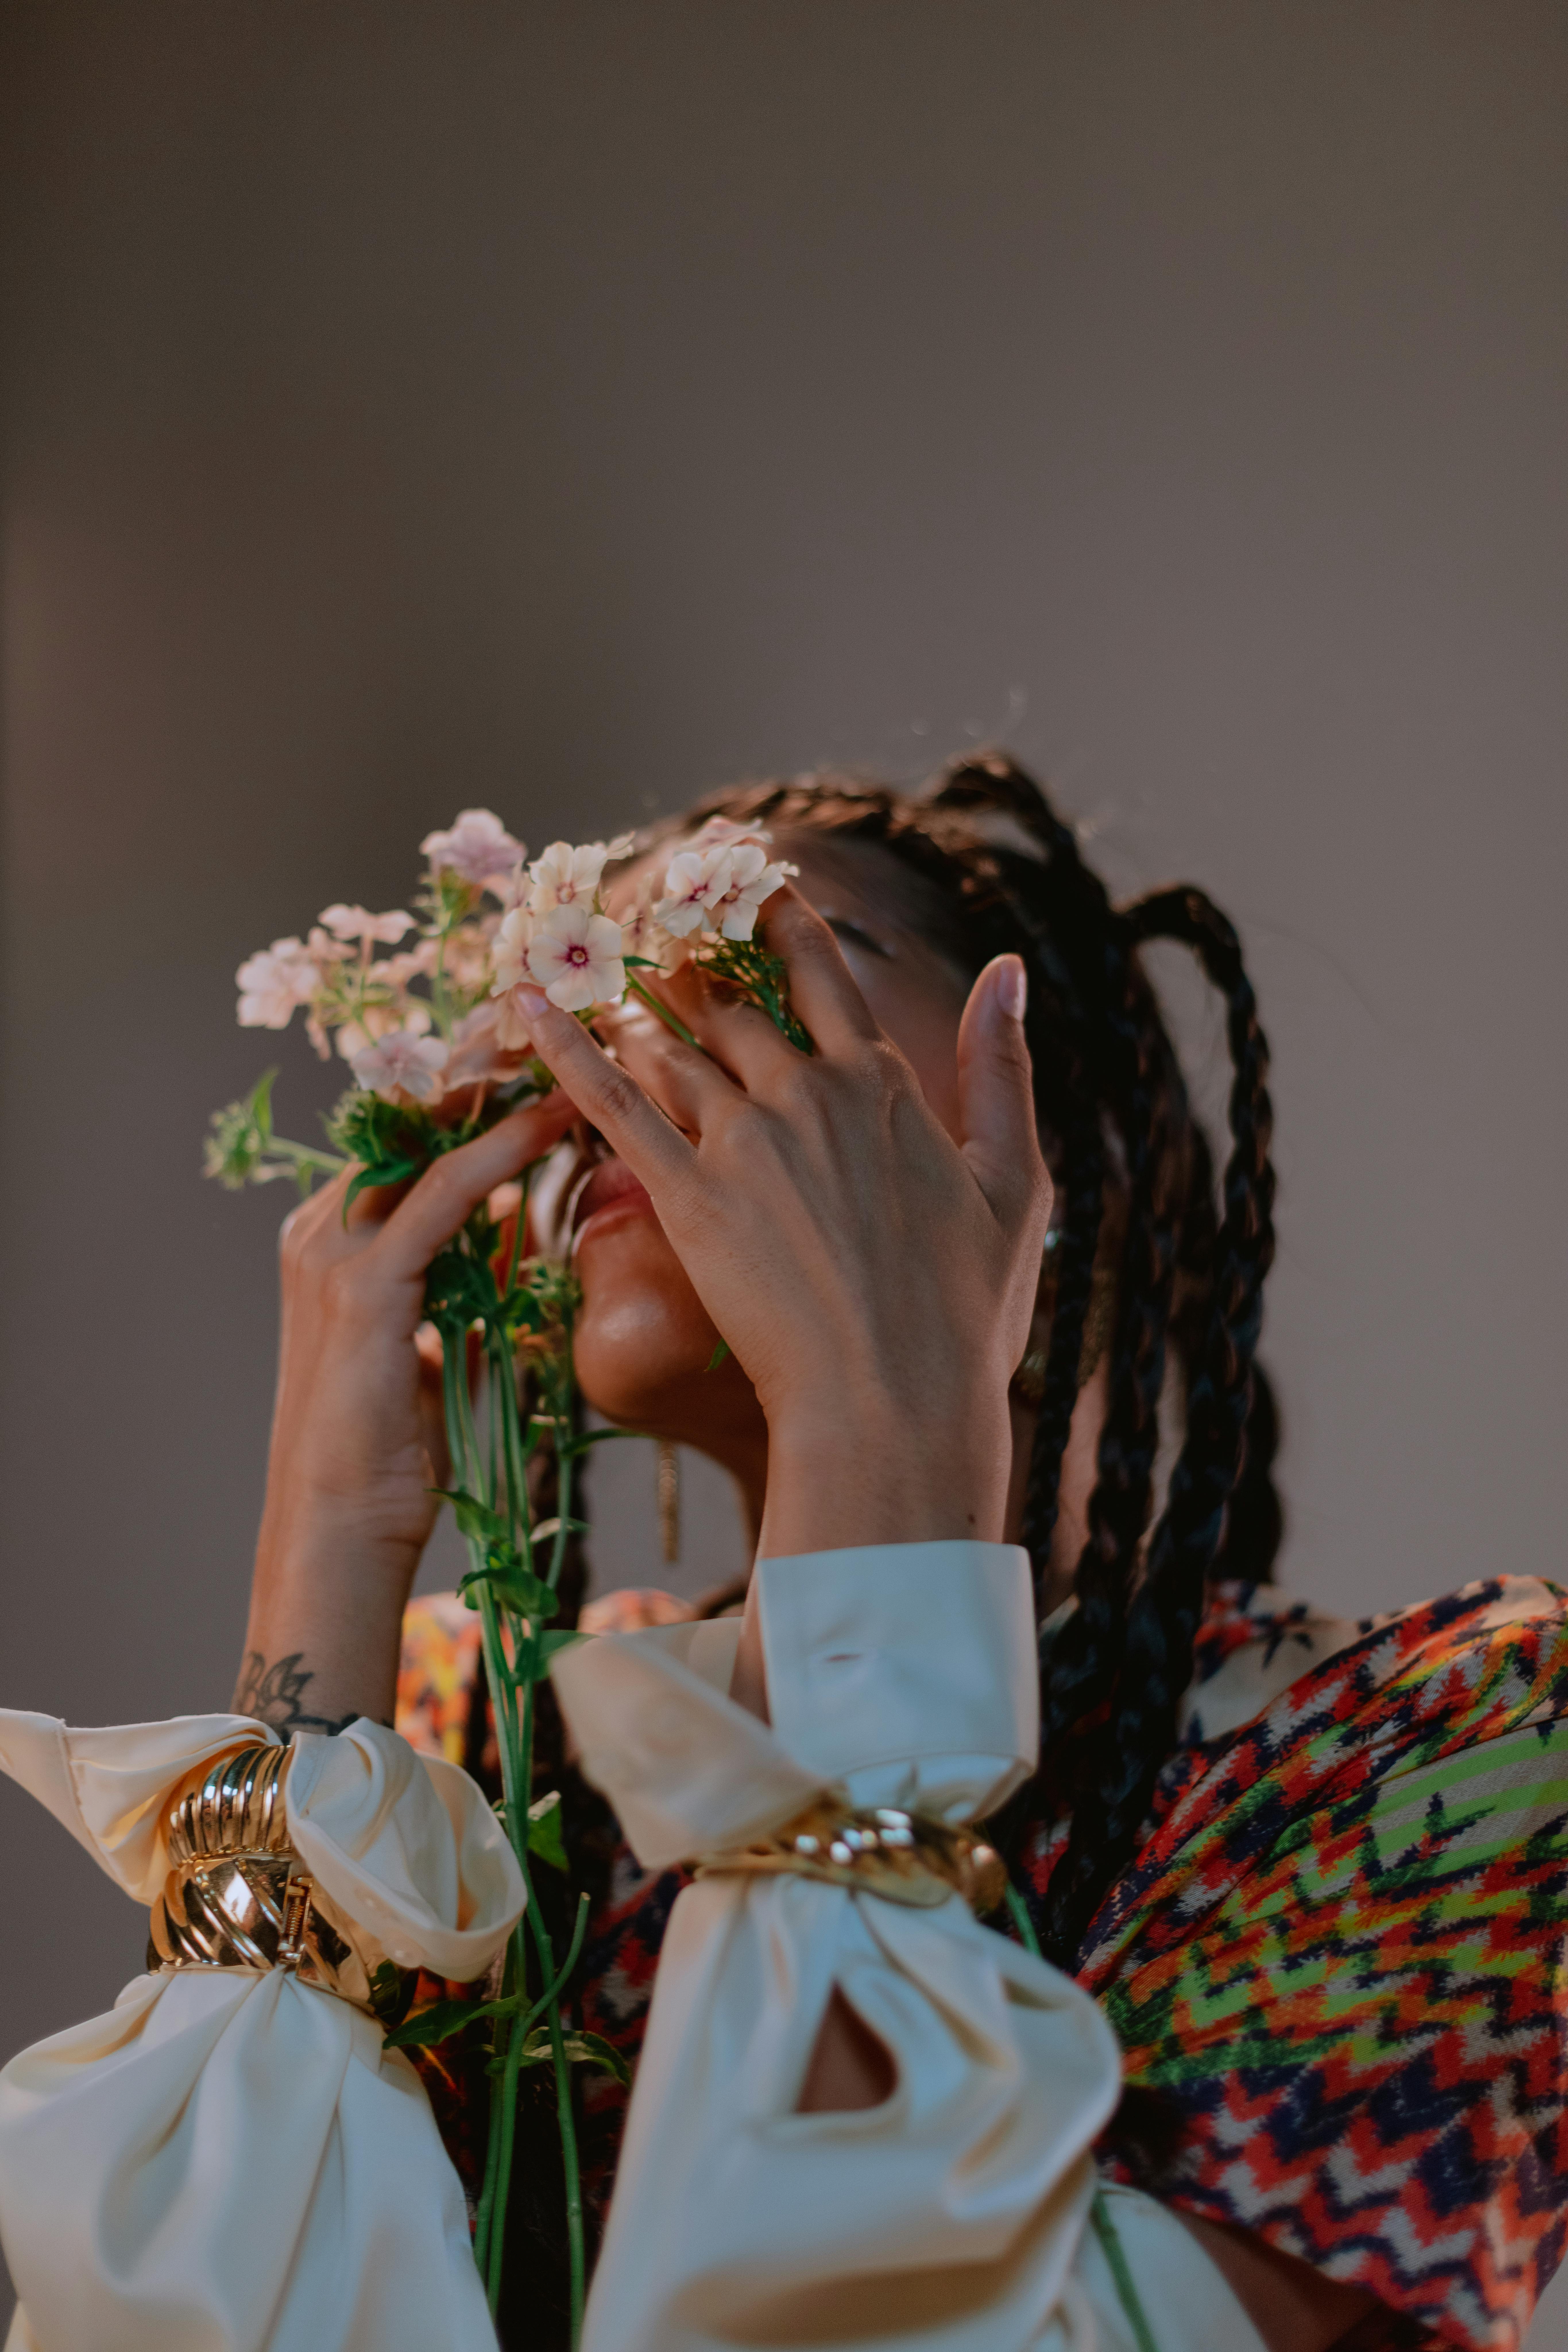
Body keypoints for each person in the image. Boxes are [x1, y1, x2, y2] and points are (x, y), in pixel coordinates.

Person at [3, 757, 1564, 2352]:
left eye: (741, 953)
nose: (615, 1038)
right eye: (586, 984)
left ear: (1050, 1126)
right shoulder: (467, 1774)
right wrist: (324, 1551)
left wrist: (880, 1438)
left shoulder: (1446, 1760)